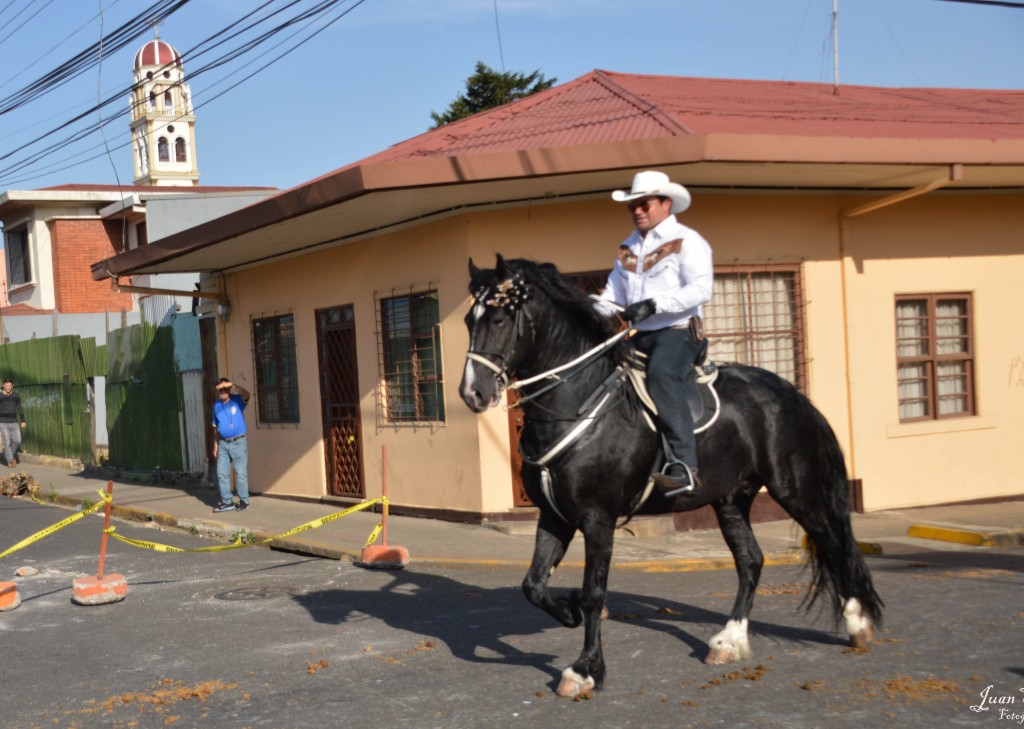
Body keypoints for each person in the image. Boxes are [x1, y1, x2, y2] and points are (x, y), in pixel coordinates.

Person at [596, 170, 714, 497]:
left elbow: (701, 290)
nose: (638, 210)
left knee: (661, 376)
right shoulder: (627, 249)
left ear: (665, 203)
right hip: (639, 335)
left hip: (678, 333)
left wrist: (654, 305)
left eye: (645, 204)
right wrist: (586, 309)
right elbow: (612, 297)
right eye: (633, 205)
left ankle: (684, 466)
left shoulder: (689, 241)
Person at [211, 377, 251, 512]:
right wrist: (215, 445)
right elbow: (216, 427)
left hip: (238, 442)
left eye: (226, 388)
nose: (223, 391)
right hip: (223, 443)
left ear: (229, 389)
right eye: (221, 389)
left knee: (240, 473)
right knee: (222, 473)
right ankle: (227, 502)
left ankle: (244, 501)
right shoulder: (216, 405)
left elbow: (247, 394)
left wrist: (234, 385)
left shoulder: (237, 400)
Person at [0, 378, 27, 468]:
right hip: (3, 422)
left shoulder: (16, 396)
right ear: (4, 386)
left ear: (12, 386)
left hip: (14, 422)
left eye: (9, 386)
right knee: (7, 442)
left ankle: (8, 455)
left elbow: (20, 407)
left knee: (18, 440)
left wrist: (23, 420)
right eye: (6, 385)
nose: (8, 387)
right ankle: (11, 460)